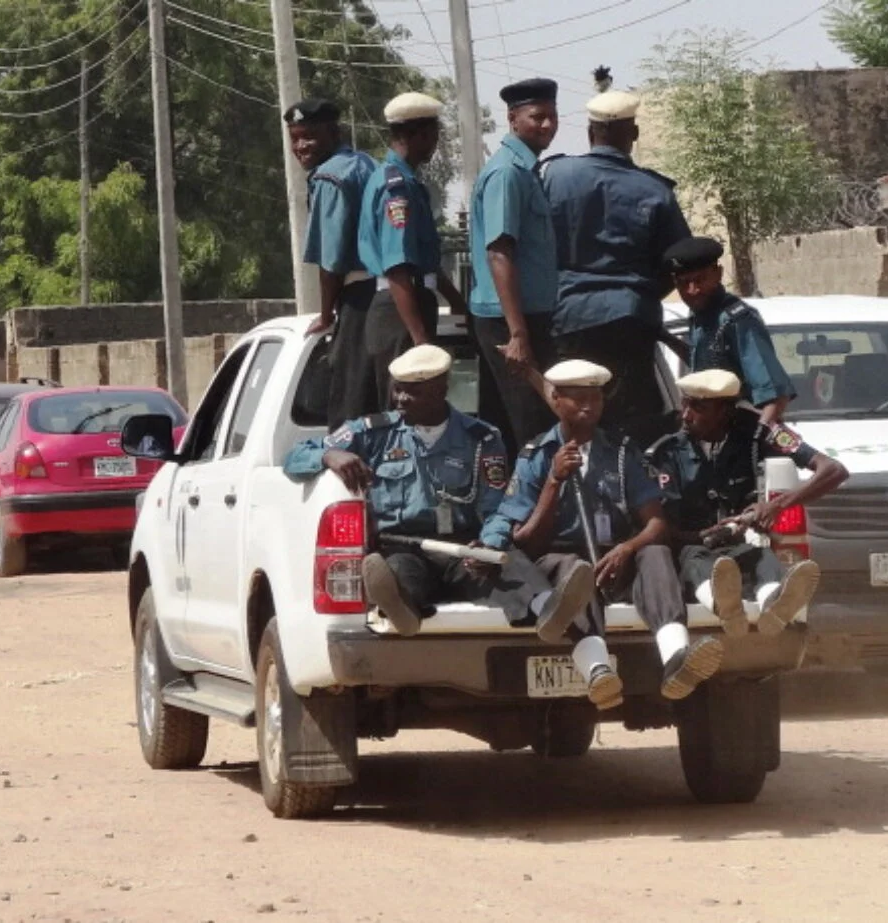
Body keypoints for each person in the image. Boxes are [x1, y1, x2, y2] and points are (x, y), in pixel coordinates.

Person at [283, 344, 595, 641]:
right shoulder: (372, 433)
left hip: (463, 547)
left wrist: (489, 543)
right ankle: (400, 609)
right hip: (404, 545)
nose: (400, 399)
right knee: (397, 573)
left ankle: (548, 611)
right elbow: (294, 457)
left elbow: (498, 507)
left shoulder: (482, 438)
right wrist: (329, 456)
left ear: (441, 389)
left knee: (507, 564)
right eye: (398, 388)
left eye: (412, 391)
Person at [489, 359, 724, 708]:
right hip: (560, 560)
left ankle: (676, 657)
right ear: (555, 399)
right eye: (577, 397)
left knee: (655, 551)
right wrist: (554, 482)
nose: (588, 406)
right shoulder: (535, 456)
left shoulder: (620, 452)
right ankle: (598, 671)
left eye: (595, 398)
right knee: (574, 570)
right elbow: (525, 541)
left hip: (613, 558)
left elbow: (656, 523)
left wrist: (627, 549)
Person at [540, 86, 692, 450]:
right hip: (630, 320)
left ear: (591, 133)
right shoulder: (655, 190)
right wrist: (639, 294)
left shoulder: (553, 177)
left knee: (571, 419)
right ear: (634, 134)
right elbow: (681, 259)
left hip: (568, 318)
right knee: (632, 426)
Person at [646, 369, 848, 636]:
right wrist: (705, 536)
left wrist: (776, 505)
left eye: (698, 407)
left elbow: (834, 470)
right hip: (691, 548)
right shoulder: (667, 451)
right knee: (697, 562)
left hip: (739, 545)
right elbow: (659, 527)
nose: (685, 415)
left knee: (763, 559)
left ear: (725, 411)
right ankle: (727, 608)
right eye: (685, 404)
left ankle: (774, 606)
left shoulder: (757, 432)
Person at [358, 92, 468, 412]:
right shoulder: (397, 188)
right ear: (418, 135)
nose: (436, 143)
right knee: (406, 411)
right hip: (399, 311)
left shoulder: (404, 180)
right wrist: (420, 339)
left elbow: (425, 261)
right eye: (434, 135)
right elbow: (398, 268)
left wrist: (457, 301)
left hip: (409, 303)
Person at [469, 78, 561, 451]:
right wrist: (518, 335)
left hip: (525, 319)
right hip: (510, 322)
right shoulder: (507, 173)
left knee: (517, 430)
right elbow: (499, 253)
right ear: (512, 119)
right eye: (537, 117)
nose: (547, 125)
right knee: (533, 431)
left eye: (552, 117)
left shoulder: (525, 170)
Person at [283, 98, 379, 431]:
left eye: (309, 136)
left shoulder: (330, 177)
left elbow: (332, 261)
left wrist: (326, 315)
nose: (301, 146)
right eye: (295, 138)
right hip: (392, 292)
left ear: (333, 132)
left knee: (349, 413)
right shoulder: (366, 163)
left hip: (361, 298)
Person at [663, 236, 795, 427]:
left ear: (718, 274)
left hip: (739, 432)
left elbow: (775, 396)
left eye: (699, 280)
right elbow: (706, 364)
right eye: (684, 283)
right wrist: (664, 337)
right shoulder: (699, 315)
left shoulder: (737, 320)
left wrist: (755, 439)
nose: (692, 290)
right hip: (709, 432)